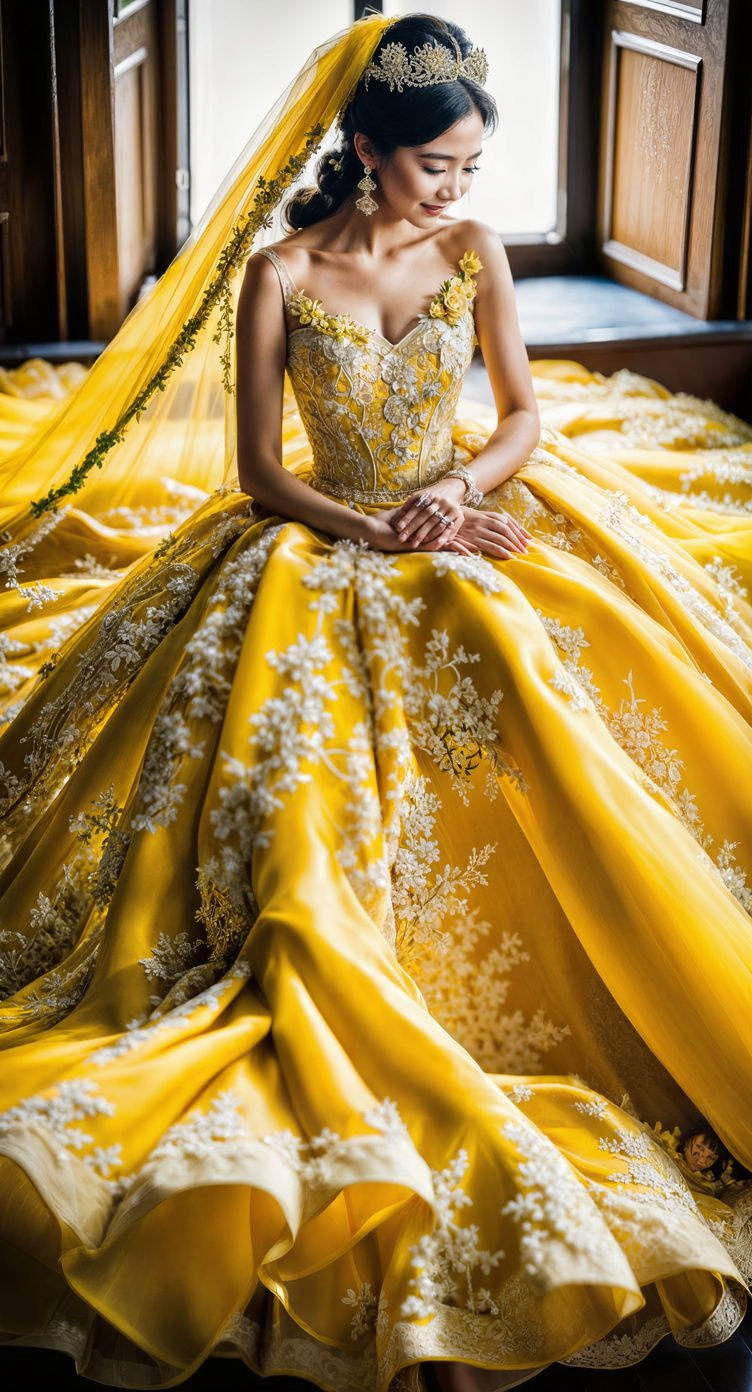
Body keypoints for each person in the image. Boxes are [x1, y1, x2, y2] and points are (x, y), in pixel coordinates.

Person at [0, 10, 751, 1392]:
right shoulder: (278, 271)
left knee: (536, 645)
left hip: (459, 507)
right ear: (363, 151)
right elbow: (255, 477)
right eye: (435, 170)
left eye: (471, 168)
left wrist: (458, 494)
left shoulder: (473, 253)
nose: (457, 193)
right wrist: (373, 528)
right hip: (325, 535)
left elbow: (520, 413)